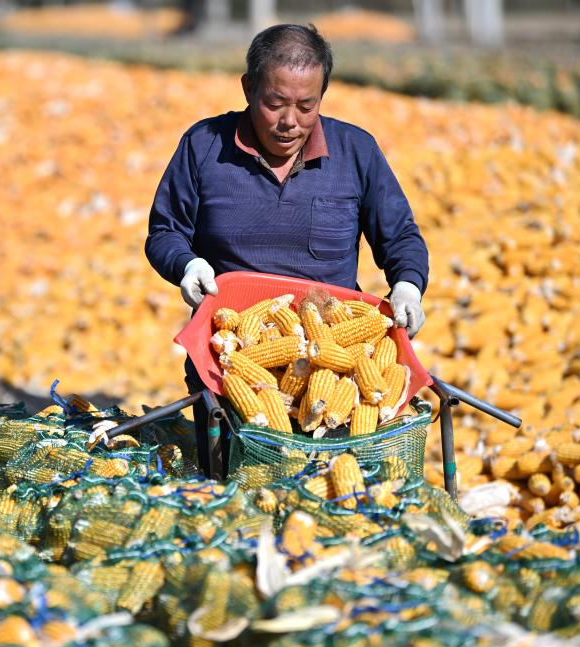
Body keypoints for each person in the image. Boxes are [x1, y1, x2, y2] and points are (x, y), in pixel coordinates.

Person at [145, 24, 429, 478]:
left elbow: (400, 237)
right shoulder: (204, 146)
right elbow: (164, 231)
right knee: (240, 482)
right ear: (248, 88)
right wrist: (187, 264)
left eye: (306, 106)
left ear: (323, 96)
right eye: (274, 103)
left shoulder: (356, 151)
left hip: (331, 358)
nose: (289, 121)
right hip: (234, 354)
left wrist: (409, 286)